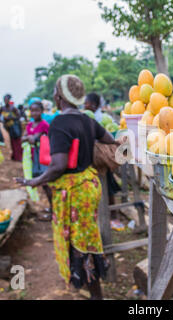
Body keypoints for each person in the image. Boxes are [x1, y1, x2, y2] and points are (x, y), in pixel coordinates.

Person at [15, 74, 119, 300]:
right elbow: (110, 138)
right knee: (87, 238)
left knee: (80, 243)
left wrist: (34, 180)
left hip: (74, 193)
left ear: (58, 96)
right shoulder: (86, 119)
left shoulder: (60, 123)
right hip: (89, 185)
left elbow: (59, 165)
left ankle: (95, 293)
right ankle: (92, 287)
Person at [84, 92, 121, 227]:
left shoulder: (99, 118)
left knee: (108, 188)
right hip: (93, 158)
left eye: (86, 103)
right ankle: (103, 215)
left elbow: (107, 137)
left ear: (93, 105)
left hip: (102, 157)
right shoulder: (89, 117)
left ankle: (113, 216)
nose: (84, 105)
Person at [21, 101, 53, 220]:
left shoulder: (44, 125)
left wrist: (38, 137)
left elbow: (51, 138)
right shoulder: (29, 125)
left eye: (37, 110)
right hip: (34, 159)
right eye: (32, 110)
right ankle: (52, 207)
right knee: (43, 185)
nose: (34, 113)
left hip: (44, 159)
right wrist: (29, 138)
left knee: (47, 184)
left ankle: (53, 211)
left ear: (42, 111)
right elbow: (23, 138)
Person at [0, 94, 23, 161]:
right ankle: (14, 156)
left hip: (15, 126)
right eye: (4, 100)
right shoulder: (2, 108)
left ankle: (19, 157)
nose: (6, 101)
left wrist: (11, 117)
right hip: (9, 127)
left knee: (17, 141)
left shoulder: (13, 108)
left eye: (7, 100)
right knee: (12, 141)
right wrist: (3, 121)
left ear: (9, 100)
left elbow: (19, 116)